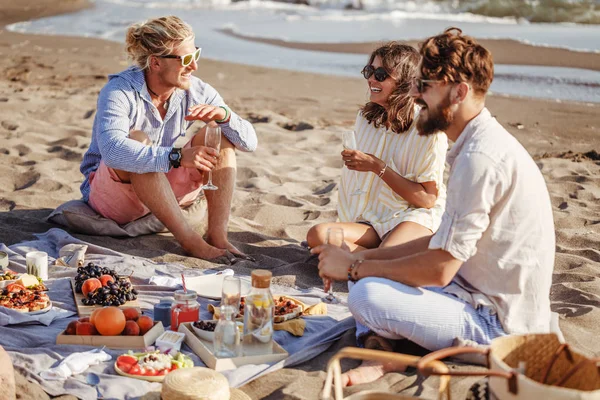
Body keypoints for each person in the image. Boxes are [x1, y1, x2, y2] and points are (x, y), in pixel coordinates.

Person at [312, 27, 555, 387]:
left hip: (498, 323)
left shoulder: (480, 158)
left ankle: (389, 353)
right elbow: (439, 241)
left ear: (459, 92)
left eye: (424, 85)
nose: (414, 92)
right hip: (469, 289)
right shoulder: (476, 143)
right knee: (377, 275)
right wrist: (365, 262)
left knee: (365, 293)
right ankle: (389, 354)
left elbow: (440, 269)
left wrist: (354, 268)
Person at [79, 16, 257, 261]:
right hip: (112, 198)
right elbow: (112, 151)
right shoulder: (119, 91)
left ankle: (217, 236)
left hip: (162, 190)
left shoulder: (197, 90)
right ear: (155, 63)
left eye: (196, 54)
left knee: (218, 135)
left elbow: (250, 143)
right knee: (137, 141)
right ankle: (190, 241)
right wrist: (175, 156)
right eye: (185, 59)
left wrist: (225, 116)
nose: (194, 66)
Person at [305, 42, 448, 254]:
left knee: (385, 253)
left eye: (381, 74)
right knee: (317, 234)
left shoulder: (428, 128)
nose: (371, 79)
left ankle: (378, 258)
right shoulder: (366, 118)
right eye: (369, 71)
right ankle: (381, 258)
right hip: (373, 219)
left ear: (406, 81)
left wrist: (377, 167)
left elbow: (427, 200)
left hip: (411, 216)